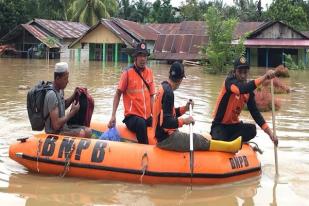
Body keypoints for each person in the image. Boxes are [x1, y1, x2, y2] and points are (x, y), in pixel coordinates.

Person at [153, 62, 241, 153]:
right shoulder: (169, 93)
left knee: (196, 136)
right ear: (180, 79)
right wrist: (184, 121)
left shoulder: (163, 87)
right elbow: (166, 123)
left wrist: (185, 108)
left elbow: (169, 114)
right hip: (166, 139)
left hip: (163, 135)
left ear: (170, 74)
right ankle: (230, 147)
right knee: (196, 139)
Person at [210, 56, 278, 145]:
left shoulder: (248, 91)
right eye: (240, 72)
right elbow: (240, 89)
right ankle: (227, 142)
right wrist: (265, 77)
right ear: (234, 72)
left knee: (252, 130)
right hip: (220, 125)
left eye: (245, 72)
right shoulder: (229, 82)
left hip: (234, 126)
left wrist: (270, 133)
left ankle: (231, 142)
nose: (243, 75)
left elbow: (255, 113)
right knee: (219, 138)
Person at [108, 41, 155, 144]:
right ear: (135, 57)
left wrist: (155, 115)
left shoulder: (149, 72)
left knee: (160, 123)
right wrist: (113, 115)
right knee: (141, 123)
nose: (143, 58)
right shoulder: (127, 73)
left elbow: (152, 96)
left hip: (147, 116)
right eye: (140, 55)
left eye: (145, 56)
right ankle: (145, 150)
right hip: (132, 118)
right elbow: (118, 94)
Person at [43, 62, 92, 138]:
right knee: (82, 133)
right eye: (65, 79)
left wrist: (73, 95)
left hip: (63, 128)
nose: (67, 81)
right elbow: (56, 125)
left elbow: (63, 105)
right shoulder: (51, 94)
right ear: (57, 79)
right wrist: (72, 113)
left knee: (88, 131)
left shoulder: (60, 90)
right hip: (54, 133)